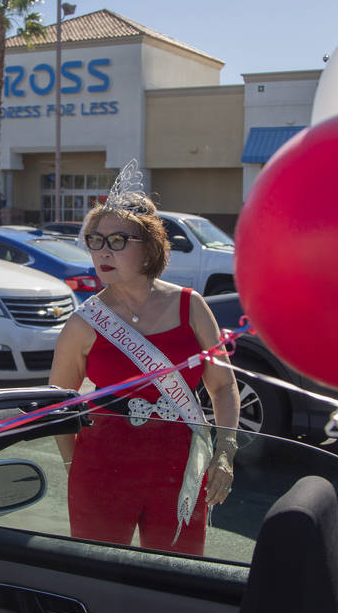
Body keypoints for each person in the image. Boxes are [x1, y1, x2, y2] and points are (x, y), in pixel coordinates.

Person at [50, 164, 240, 555]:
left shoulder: (190, 306)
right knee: (101, 577)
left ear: (150, 246)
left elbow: (222, 386)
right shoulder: (83, 323)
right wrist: (75, 467)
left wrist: (225, 452)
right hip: (102, 468)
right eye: (93, 239)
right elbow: (60, 402)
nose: (102, 251)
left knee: (178, 579)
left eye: (117, 240)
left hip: (179, 465)